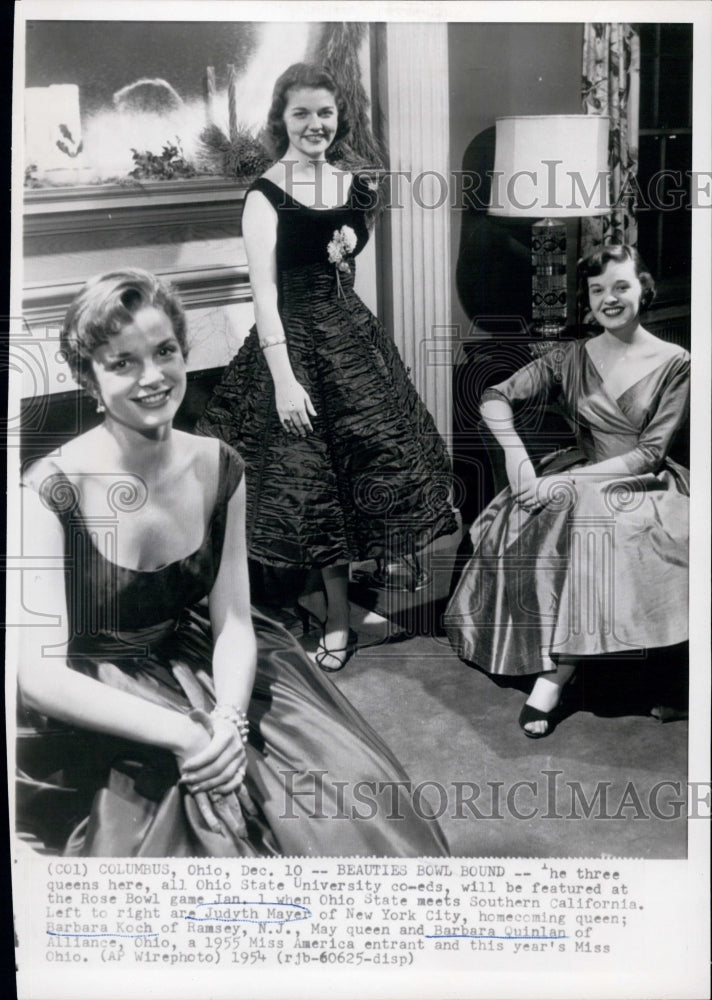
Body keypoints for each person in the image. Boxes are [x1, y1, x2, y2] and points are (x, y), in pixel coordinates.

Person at [17, 268, 449, 858]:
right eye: (122, 363)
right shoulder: (47, 490)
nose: (153, 377)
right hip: (96, 697)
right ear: (88, 377)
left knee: (352, 797)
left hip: (205, 664)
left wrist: (226, 720)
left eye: (164, 351)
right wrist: (187, 737)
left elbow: (237, 621)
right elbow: (39, 678)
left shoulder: (220, 464)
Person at [196, 63, 456, 671]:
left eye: (325, 113)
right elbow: (265, 296)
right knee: (315, 493)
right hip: (293, 350)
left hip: (352, 342)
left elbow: (345, 271)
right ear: (280, 120)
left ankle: (361, 590)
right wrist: (285, 381)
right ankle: (336, 618)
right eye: (302, 113)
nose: (315, 124)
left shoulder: (353, 186)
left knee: (374, 465)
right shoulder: (265, 194)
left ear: (338, 119)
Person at [444, 244, 690, 737]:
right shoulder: (570, 355)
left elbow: (649, 453)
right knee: (564, 510)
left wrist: (568, 480)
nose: (610, 298)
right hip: (575, 472)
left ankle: (555, 675)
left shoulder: (676, 361)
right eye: (598, 290)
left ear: (644, 289)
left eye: (621, 286)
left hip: (643, 485)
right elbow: (496, 397)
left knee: (593, 514)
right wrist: (518, 458)